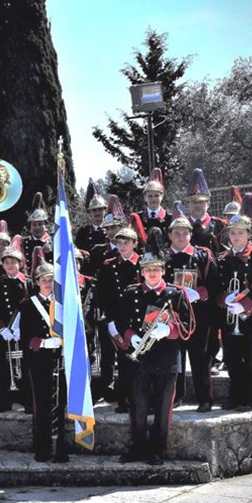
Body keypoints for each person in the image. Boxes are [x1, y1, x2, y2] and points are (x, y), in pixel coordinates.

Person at [117, 229, 193, 465]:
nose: (152, 273)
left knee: (162, 408)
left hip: (167, 358)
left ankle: (157, 449)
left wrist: (168, 331)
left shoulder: (176, 293)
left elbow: (188, 325)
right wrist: (131, 337)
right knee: (137, 405)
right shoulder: (131, 293)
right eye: (148, 270)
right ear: (142, 272)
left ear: (163, 271)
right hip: (140, 359)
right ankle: (138, 447)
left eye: (156, 269)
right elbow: (120, 322)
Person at [165, 205, 219, 411]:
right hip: (172, 317)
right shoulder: (163, 258)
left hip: (199, 316)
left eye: (185, 232)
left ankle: (205, 398)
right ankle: (176, 397)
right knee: (174, 357)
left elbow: (215, 283)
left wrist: (199, 293)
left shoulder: (203, 255)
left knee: (200, 358)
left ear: (191, 234)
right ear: (169, 235)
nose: (181, 236)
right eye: (176, 233)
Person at [17, 256, 68, 462]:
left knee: (60, 404)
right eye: (43, 279)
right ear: (37, 282)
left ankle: (60, 448)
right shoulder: (28, 305)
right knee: (41, 405)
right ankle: (43, 447)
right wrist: (44, 343)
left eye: (51, 279)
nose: (47, 283)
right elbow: (25, 336)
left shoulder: (64, 304)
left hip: (60, 360)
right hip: (39, 361)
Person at [97, 215, 146, 412]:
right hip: (117, 319)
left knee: (142, 361)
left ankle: (142, 400)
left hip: (140, 318)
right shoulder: (109, 265)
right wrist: (109, 320)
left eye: (126, 241)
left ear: (135, 243)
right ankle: (124, 400)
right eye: (118, 241)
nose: (122, 245)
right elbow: (103, 295)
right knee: (123, 361)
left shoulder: (142, 263)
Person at [217, 197, 252, 410]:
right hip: (229, 319)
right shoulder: (224, 259)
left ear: (249, 235)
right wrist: (223, 299)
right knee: (231, 357)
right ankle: (235, 396)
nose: (236, 236)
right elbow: (216, 286)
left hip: (249, 319)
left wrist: (246, 305)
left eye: (240, 232)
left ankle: (248, 398)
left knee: (249, 358)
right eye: (232, 232)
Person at [0, 241, 29, 413]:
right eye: (6, 262)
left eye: (13, 262)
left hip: (23, 331)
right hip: (3, 331)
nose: (10, 265)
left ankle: (27, 401)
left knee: (25, 367)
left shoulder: (28, 283)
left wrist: (21, 327)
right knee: (1, 368)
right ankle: (4, 402)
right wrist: (2, 328)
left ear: (20, 264)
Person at [132, 168, 174, 239]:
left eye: (156, 196)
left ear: (162, 197)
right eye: (150, 196)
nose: (153, 199)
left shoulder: (170, 218)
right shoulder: (138, 218)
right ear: (145, 197)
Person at [75, 179, 108, 255]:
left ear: (105, 210)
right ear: (89, 212)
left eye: (100, 209)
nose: (97, 212)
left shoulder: (111, 229)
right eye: (94, 210)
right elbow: (77, 251)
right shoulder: (83, 232)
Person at [22, 192, 53, 265]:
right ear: (30, 226)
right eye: (34, 224)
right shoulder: (23, 242)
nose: (37, 227)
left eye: (40, 224)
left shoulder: (53, 242)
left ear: (45, 226)